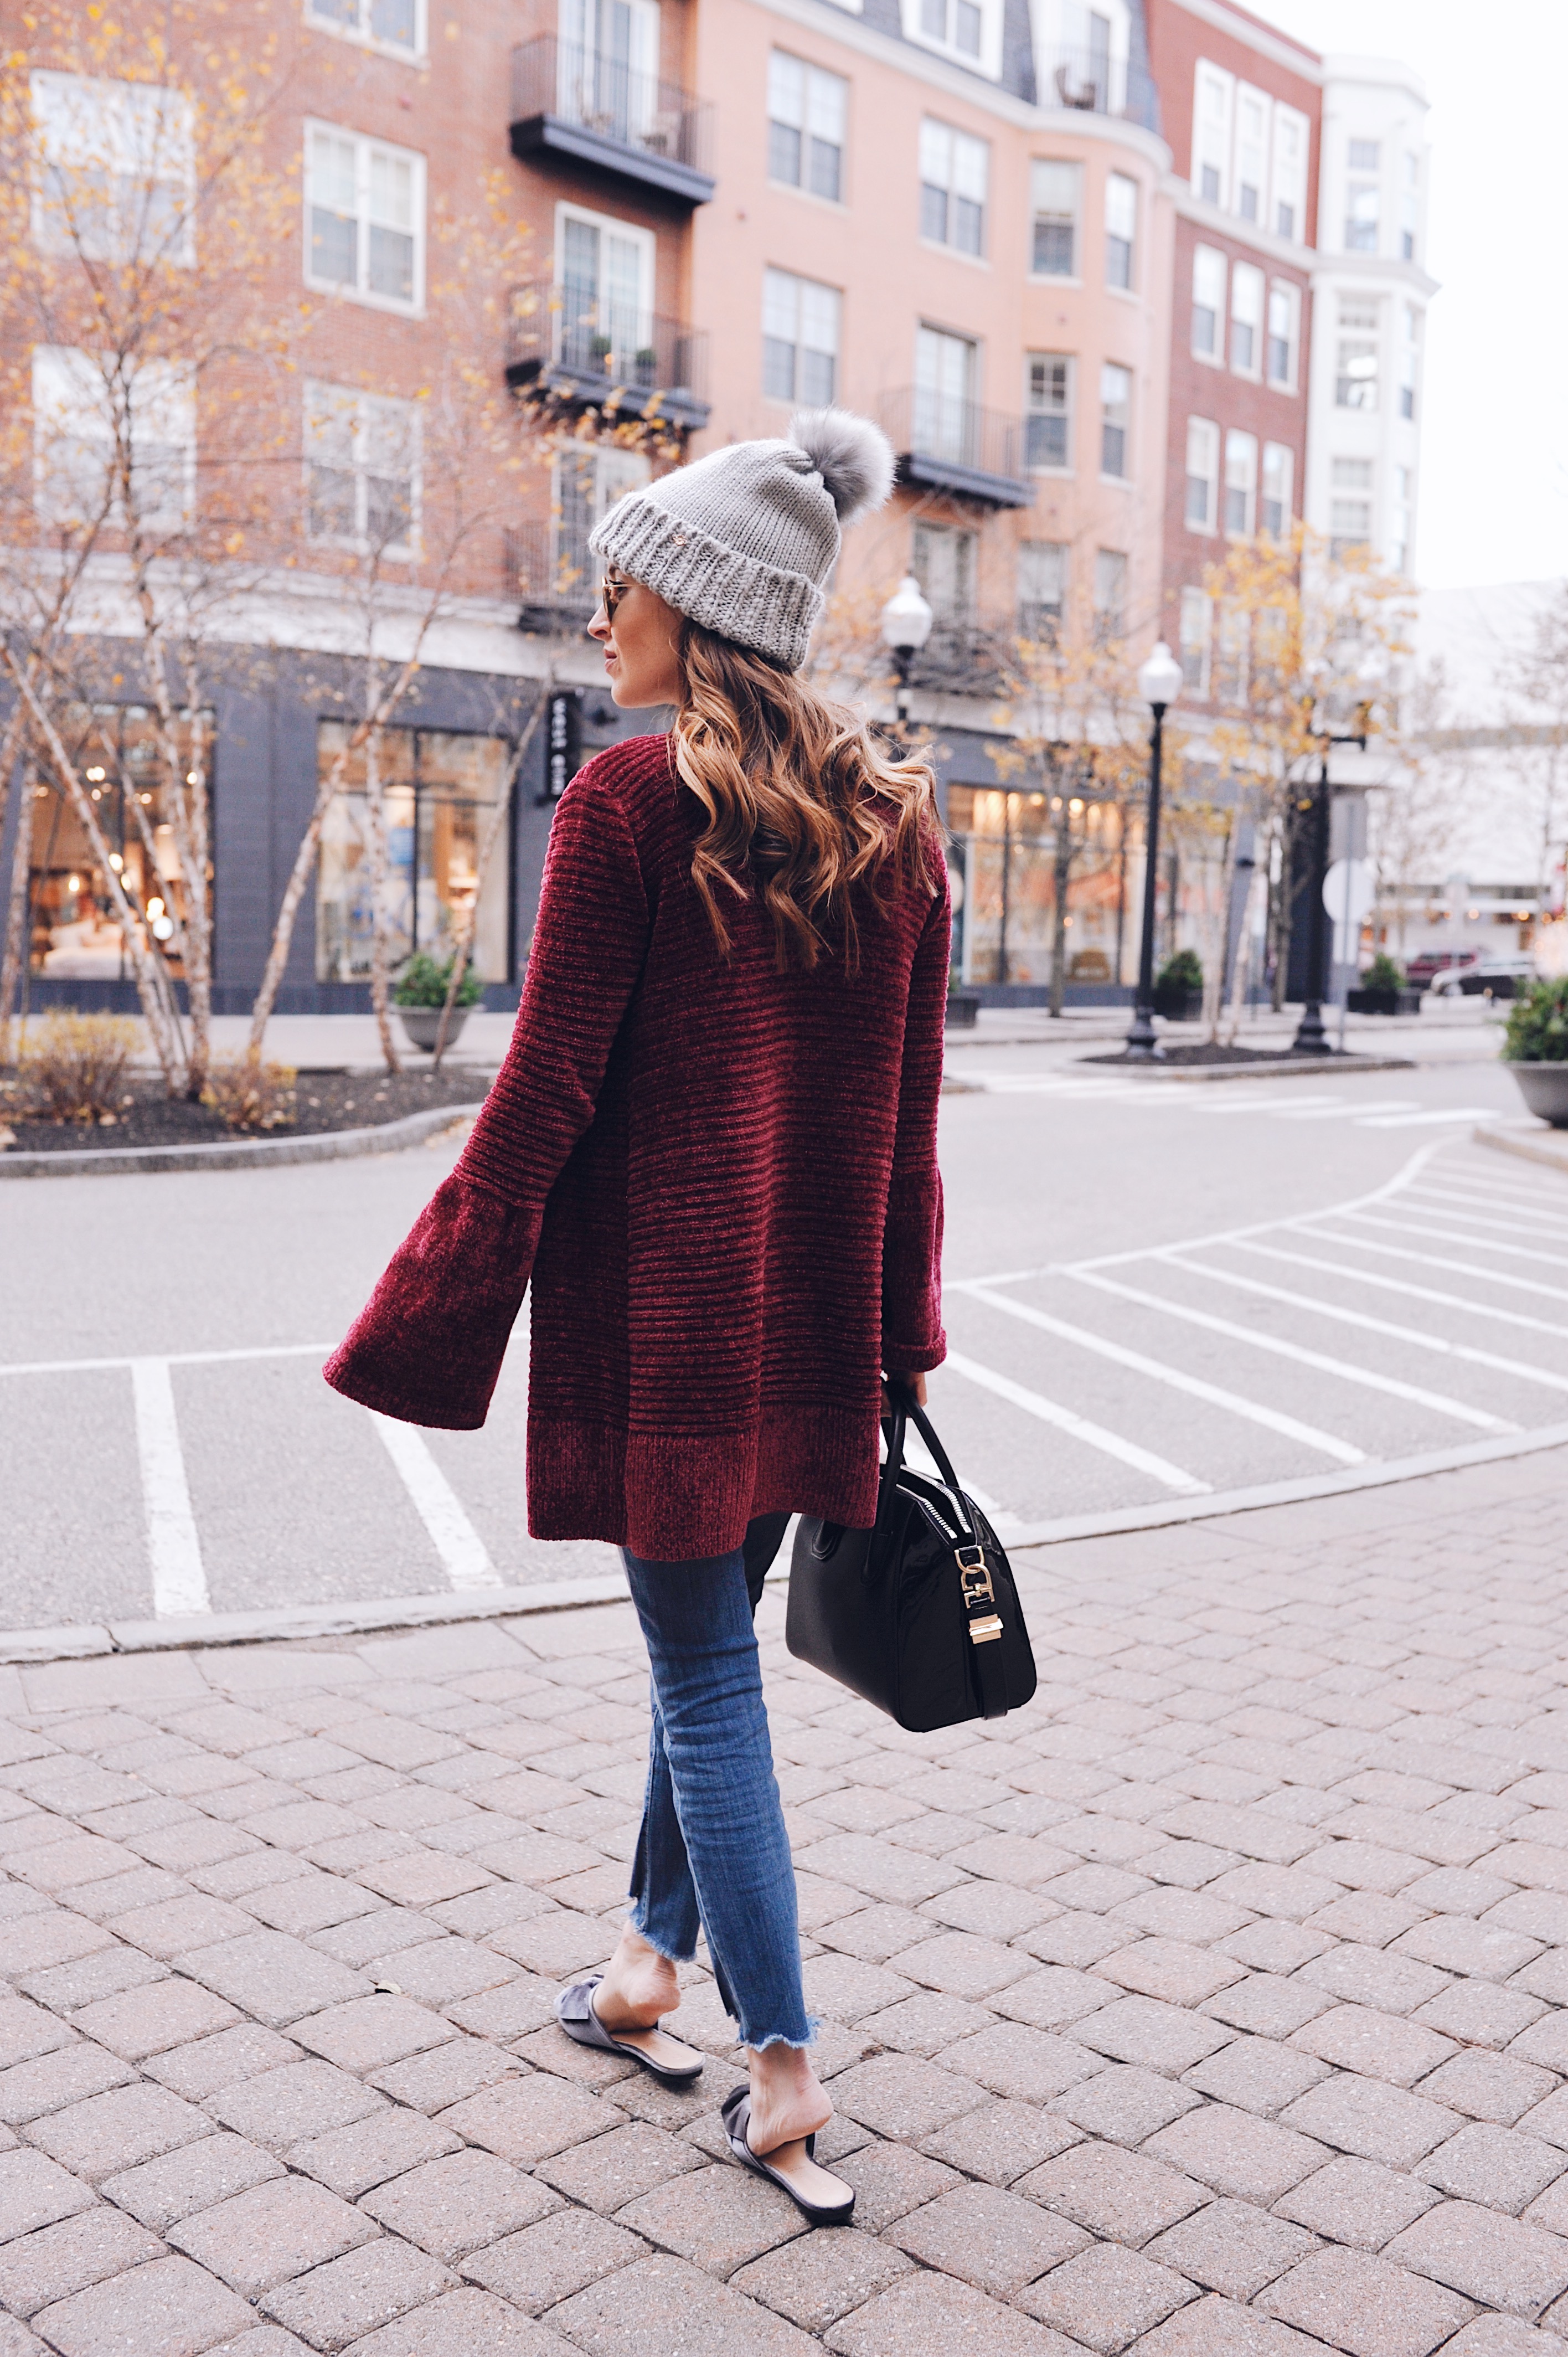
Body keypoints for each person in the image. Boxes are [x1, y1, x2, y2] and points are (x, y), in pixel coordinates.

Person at [324, 408, 948, 2227]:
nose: (601, 619)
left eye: (626, 590)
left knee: (698, 1675)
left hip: (671, 1346)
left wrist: (427, 1311)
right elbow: (907, 1137)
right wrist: (900, 1340)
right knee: (713, 1666)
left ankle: (783, 2069)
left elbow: (540, 1100)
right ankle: (637, 1975)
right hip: (812, 1337)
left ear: (701, 610)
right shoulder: (893, 830)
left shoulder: (623, 805)